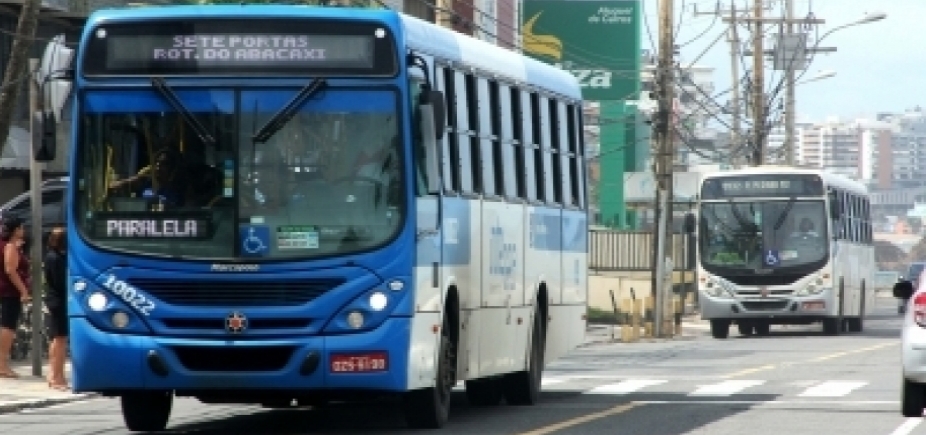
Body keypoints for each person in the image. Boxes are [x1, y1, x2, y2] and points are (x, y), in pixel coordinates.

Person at [0, 217, 31, 378]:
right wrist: (23, 291)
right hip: (10, 292)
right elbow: (10, 270)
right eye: (21, 228)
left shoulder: (9, 246)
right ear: (15, 230)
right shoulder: (10, 246)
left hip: (7, 290)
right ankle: (2, 365)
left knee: (8, 325)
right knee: (8, 326)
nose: (23, 230)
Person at [110, 146, 188, 208]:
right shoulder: (143, 183)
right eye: (156, 162)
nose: (158, 166)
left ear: (172, 169)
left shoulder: (176, 190)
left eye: (164, 164)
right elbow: (114, 187)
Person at [43, 227, 68, 390]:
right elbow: (60, 282)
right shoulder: (56, 258)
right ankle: (56, 376)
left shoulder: (53, 256)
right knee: (60, 339)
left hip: (55, 299)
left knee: (57, 339)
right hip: (59, 300)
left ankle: (56, 374)